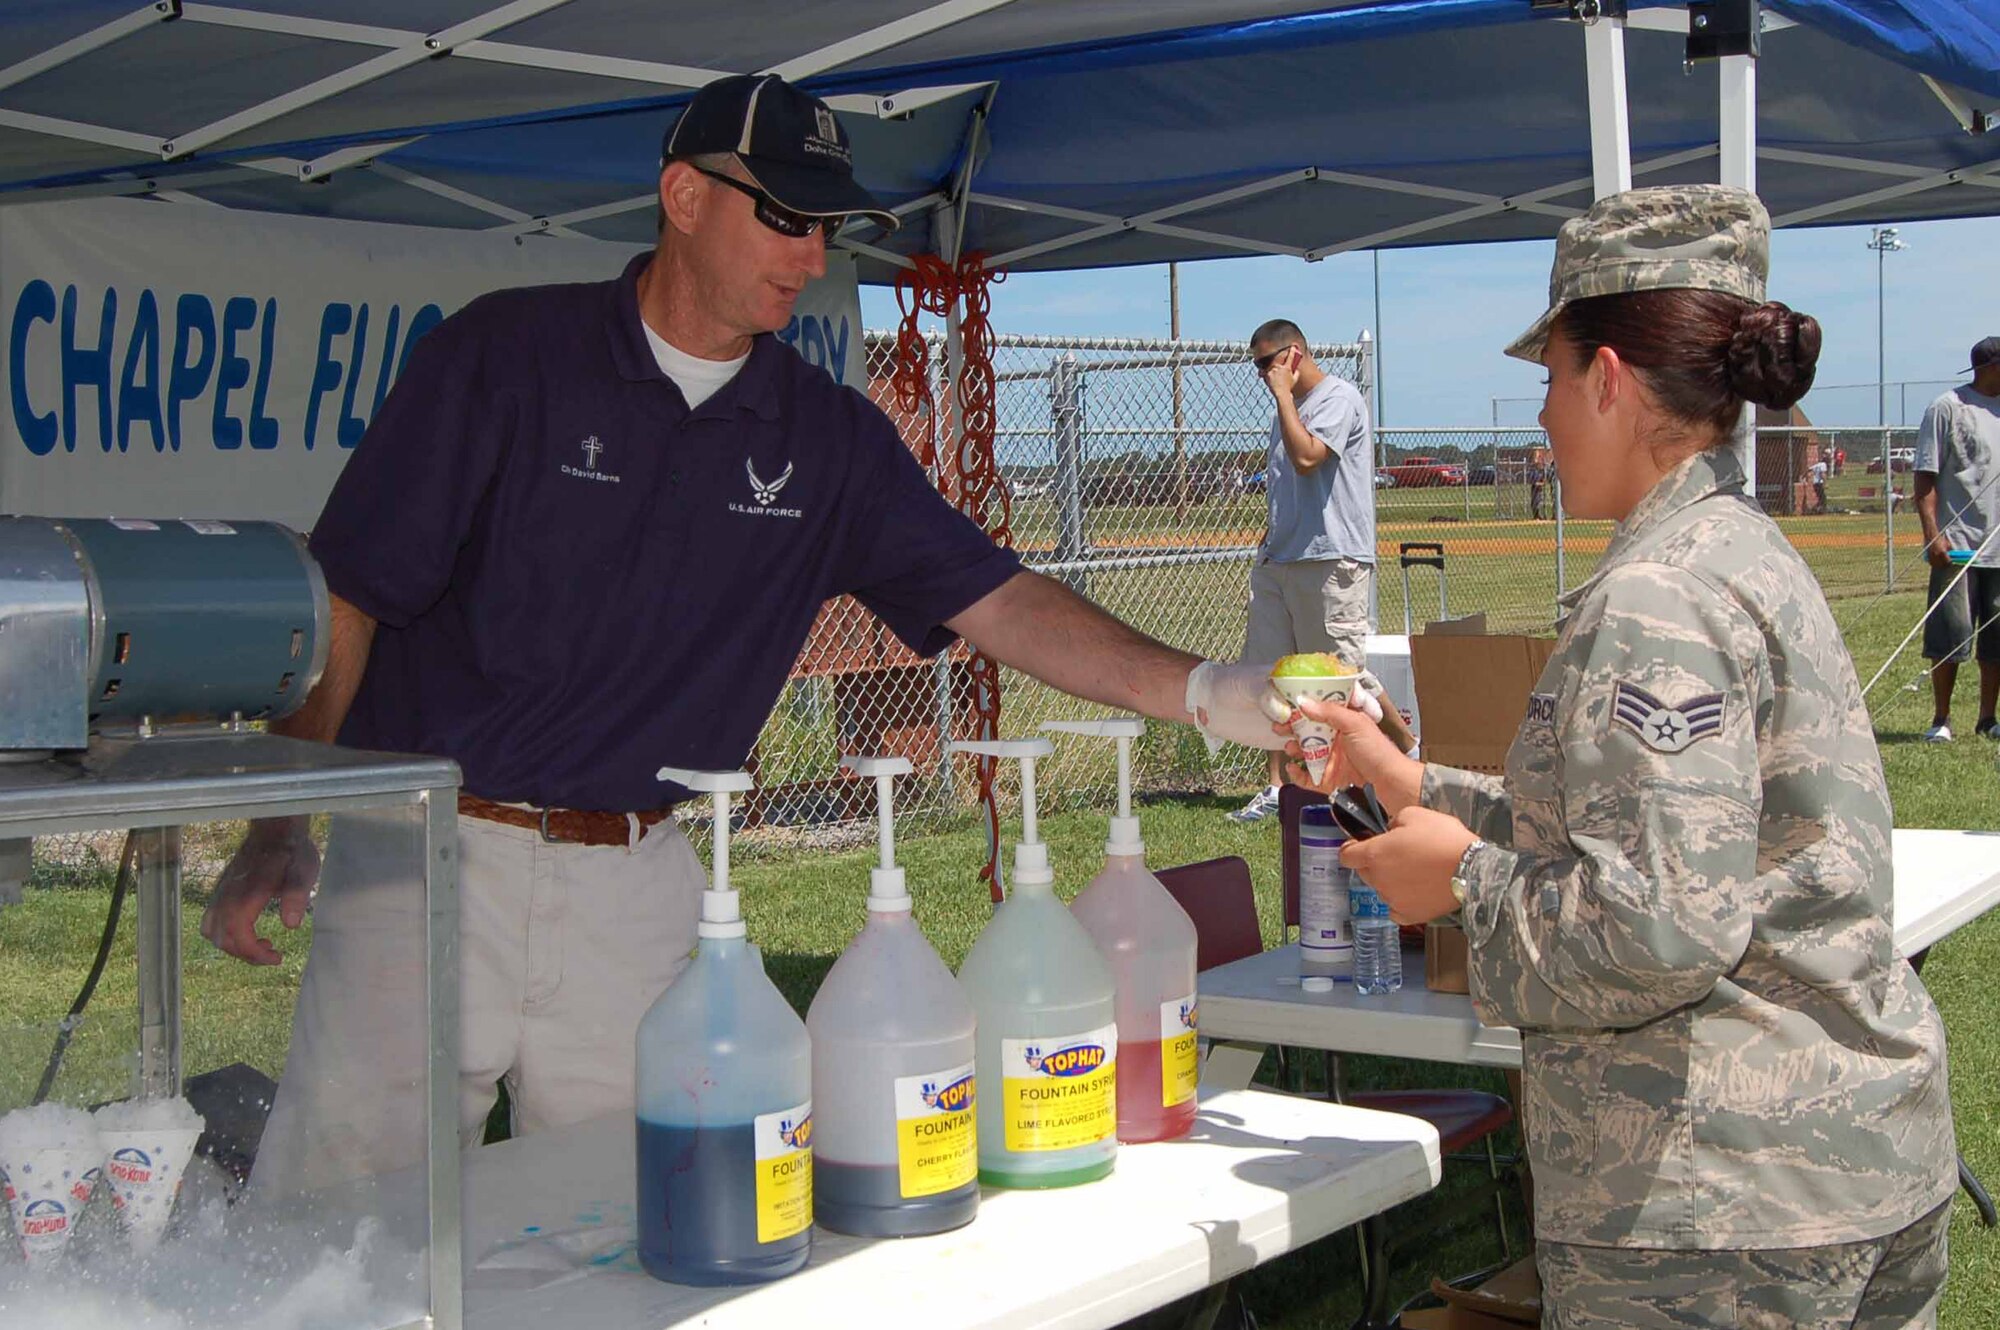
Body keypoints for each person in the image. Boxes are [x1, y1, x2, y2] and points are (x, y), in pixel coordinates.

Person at [202, 73, 1286, 1188]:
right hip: (428, 858)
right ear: (682, 194)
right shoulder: (506, 359)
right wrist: (281, 820)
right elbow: (352, 594)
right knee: (342, 1225)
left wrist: (1205, 691)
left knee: (634, 1228)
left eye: (823, 226)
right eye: (782, 216)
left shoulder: (827, 439)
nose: (810, 255)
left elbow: (999, 599)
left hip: (641, 877)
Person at [1290, 186, 1956, 1326]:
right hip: (1842, 1167)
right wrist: (1408, 784)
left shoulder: (1655, 593)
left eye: (1550, 378)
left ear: (1606, 378)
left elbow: (1657, 929)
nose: (1539, 417)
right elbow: (1657, 831)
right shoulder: (1737, 549)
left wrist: (1455, 879)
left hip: (1714, 1213)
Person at [1228, 319, 1375, 822]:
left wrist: (1285, 398)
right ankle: (1279, 790)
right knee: (1273, 679)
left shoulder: (1339, 398)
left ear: (1294, 355)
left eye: (1267, 362)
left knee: (1338, 681)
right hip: (1280, 561)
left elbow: (1309, 457)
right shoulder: (1283, 409)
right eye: (1257, 366)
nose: (1262, 374)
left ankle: (1361, 781)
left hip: (1329, 561)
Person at [1913, 336, 2000, 743]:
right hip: (1959, 544)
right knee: (1950, 634)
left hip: (1998, 546)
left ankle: (1988, 719)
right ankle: (1941, 718)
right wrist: (1933, 534)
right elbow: (1925, 477)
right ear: (1988, 367)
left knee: (1996, 642)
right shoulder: (1947, 407)